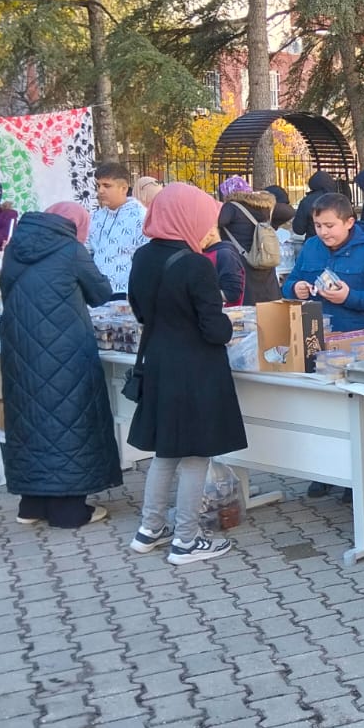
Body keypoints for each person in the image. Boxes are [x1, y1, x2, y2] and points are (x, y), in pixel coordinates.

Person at [125, 184, 243, 564]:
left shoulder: (142, 257)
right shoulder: (195, 263)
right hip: (195, 368)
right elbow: (214, 329)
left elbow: (142, 311)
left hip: (159, 363)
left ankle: (150, 529)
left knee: (167, 451)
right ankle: (187, 540)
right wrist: (227, 326)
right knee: (195, 453)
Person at [0, 202, 122, 529]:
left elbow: (7, 292)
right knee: (69, 422)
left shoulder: (15, 248)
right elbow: (101, 293)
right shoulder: (71, 249)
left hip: (19, 348)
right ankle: (68, 508)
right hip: (65, 348)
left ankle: (32, 505)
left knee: (30, 422)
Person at [283, 192, 364, 332]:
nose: (323, 232)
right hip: (315, 335)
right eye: (318, 225)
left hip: (358, 337)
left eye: (329, 226)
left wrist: (349, 297)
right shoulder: (311, 246)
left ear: (349, 223)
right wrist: (295, 288)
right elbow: (289, 283)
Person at [216, 178, 281, 305]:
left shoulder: (231, 207)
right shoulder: (262, 206)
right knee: (269, 305)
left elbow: (220, 221)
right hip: (264, 256)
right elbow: (287, 212)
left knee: (249, 306)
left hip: (244, 261)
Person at [87, 162, 147, 297]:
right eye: (98, 185)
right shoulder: (96, 217)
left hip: (126, 293)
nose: (100, 190)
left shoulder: (142, 217)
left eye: (107, 186)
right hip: (97, 292)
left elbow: (147, 258)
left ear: (124, 188)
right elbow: (87, 252)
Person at [292, 171, 341, 237]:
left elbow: (298, 229)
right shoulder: (340, 199)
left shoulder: (307, 201)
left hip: (314, 242)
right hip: (339, 242)